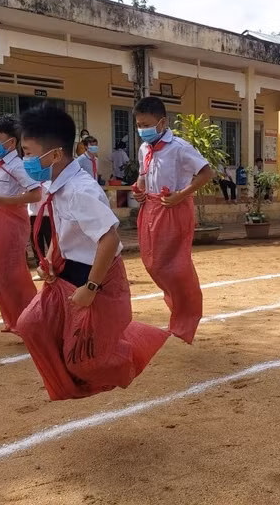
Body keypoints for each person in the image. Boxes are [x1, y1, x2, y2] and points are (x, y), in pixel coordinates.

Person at [15, 105, 169, 400]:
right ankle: (70, 385)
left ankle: (135, 341)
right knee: (31, 325)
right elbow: (62, 230)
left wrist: (91, 288)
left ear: (55, 155)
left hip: (94, 275)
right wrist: (48, 260)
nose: (25, 160)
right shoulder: (55, 185)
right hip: (66, 271)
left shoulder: (80, 191)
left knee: (86, 359)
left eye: (29, 152)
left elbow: (109, 239)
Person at [132, 96, 213, 344]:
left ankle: (186, 316)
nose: (142, 129)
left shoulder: (179, 147)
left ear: (162, 122)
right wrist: (139, 189)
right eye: (139, 124)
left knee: (176, 265)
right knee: (153, 263)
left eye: (146, 124)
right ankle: (179, 307)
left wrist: (182, 195)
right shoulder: (144, 149)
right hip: (152, 208)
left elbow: (206, 172)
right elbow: (142, 177)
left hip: (174, 208)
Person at [0, 116, 42, 334]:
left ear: (11, 143)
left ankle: (30, 320)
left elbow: (35, 194)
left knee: (9, 271)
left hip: (11, 222)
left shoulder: (18, 166)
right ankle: (12, 317)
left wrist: (4, 201)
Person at [28, 180, 52, 281]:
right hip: (33, 215)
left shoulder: (51, 183)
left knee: (51, 241)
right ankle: (41, 268)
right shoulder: (30, 183)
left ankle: (53, 267)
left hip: (48, 216)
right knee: (36, 242)